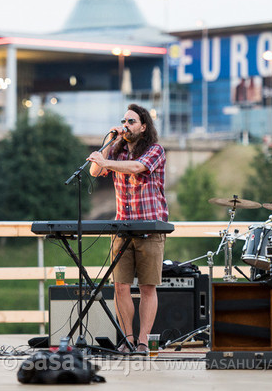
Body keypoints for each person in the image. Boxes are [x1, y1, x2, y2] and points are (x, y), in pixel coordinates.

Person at [87, 104, 168, 355]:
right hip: (121, 228)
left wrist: (106, 160)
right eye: (124, 121)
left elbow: (136, 168)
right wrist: (108, 146)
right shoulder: (117, 151)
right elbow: (95, 170)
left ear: (143, 127)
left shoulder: (155, 150)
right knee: (120, 286)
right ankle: (127, 339)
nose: (126, 125)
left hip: (149, 227)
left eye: (131, 121)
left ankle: (143, 341)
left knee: (147, 287)